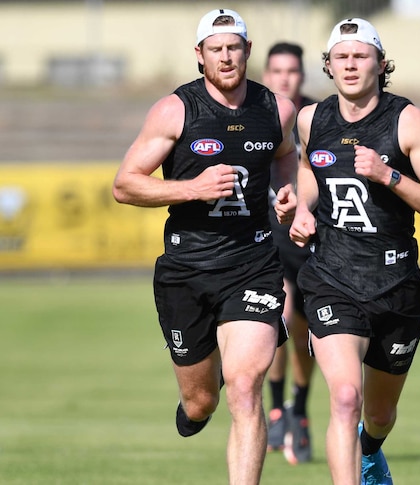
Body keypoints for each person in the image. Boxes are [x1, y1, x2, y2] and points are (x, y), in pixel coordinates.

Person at [112, 8, 298, 484]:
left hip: (253, 265)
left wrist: (287, 190)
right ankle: (197, 403)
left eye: (234, 46)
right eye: (215, 49)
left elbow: (284, 159)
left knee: (245, 386)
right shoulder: (175, 110)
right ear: (200, 55)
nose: (226, 56)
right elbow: (126, 185)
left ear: (248, 51)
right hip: (186, 270)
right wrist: (191, 188)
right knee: (203, 401)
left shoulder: (277, 109)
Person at [276, 18, 420, 485]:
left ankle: (371, 450)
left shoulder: (407, 120)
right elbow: (309, 169)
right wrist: (301, 208)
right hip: (332, 279)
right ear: (329, 66)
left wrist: (389, 176)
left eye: (361, 56)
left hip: (397, 285)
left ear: (380, 63)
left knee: (378, 414)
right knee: (342, 397)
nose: (352, 65)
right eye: (342, 57)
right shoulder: (311, 118)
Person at [261, 40, 316, 465]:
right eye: (277, 70)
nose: (285, 78)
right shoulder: (256, 113)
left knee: (304, 335)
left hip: (315, 236)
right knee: (278, 315)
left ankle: (300, 407)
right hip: (270, 234)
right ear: (267, 74)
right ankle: (277, 408)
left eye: (292, 71)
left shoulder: (320, 116)